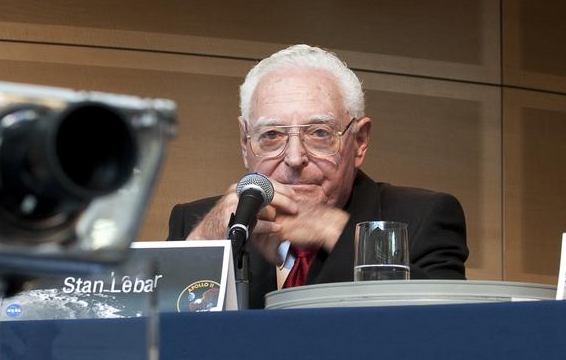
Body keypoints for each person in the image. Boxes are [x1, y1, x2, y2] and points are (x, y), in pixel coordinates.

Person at [167, 44, 468, 307]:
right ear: (246, 144)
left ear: (360, 141)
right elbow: (150, 335)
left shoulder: (425, 217)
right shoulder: (200, 225)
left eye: (319, 133)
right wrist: (210, 240)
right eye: (271, 135)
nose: (295, 158)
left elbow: (449, 332)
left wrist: (338, 234)